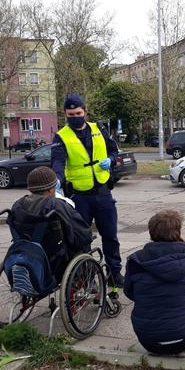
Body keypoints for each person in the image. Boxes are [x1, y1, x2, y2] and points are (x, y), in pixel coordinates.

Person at [51, 93, 124, 286]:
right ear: (65, 114)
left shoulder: (99, 128)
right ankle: (87, 277)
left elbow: (114, 150)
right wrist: (57, 179)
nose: (75, 117)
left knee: (110, 236)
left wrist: (112, 160)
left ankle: (114, 274)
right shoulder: (61, 136)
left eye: (78, 113)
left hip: (102, 192)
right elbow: (57, 161)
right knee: (81, 240)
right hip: (79, 196)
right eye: (70, 114)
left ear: (85, 111)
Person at [124, 210, 185, 355]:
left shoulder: (136, 260)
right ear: (178, 232)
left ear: (151, 233)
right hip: (184, 338)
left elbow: (129, 292)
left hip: (148, 340)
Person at [9, 166, 93, 280]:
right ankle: (87, 280)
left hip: (26, 254)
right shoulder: (56, 205)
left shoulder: (18, 205)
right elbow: (81, 232)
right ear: (50, 189)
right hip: (56, 261)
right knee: (83, 241)